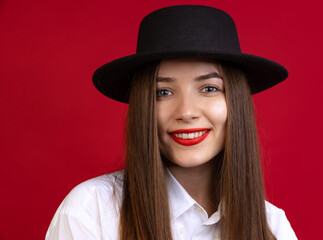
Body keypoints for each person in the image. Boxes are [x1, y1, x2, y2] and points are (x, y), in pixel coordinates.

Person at [46, 5, 297, 240]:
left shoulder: (273, 227)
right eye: (163, 92)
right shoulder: (91, 211)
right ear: (143, 107)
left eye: (209, 88)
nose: (186, 112)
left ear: (236, 103)